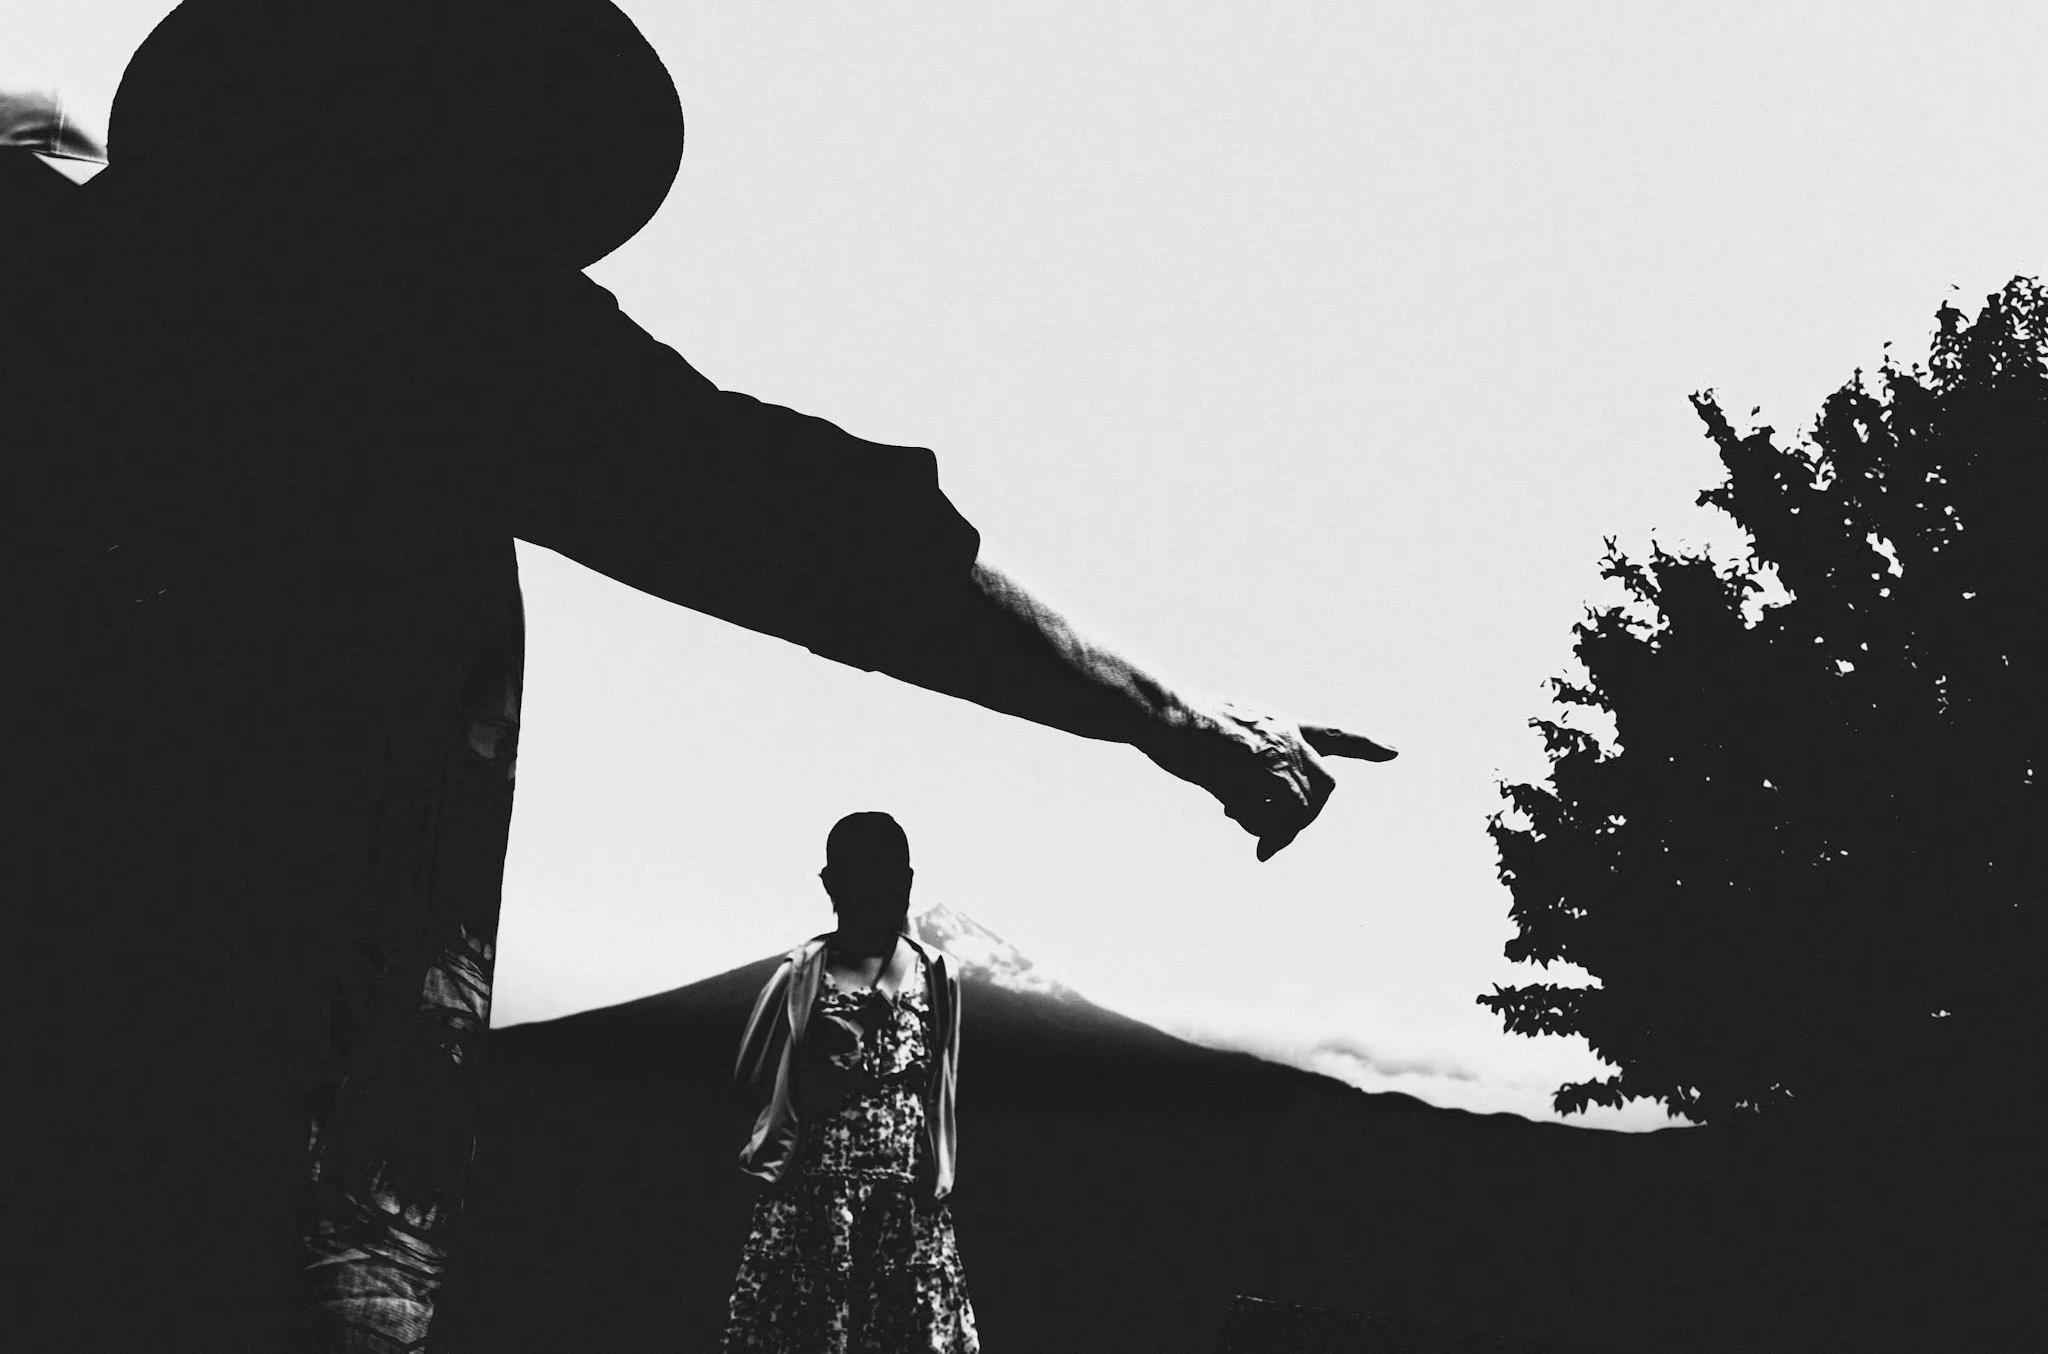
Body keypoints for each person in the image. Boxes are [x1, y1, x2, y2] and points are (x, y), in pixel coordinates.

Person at [0, 1, 1396, 1348]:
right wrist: (1189, 725)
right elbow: (823, 538)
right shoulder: (437, 328)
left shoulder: (78, 262)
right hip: (242, 1130)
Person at [724, 812, 975, 1353]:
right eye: (860, 876)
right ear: (831, 884)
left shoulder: (938, 976)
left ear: (908, 881)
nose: (874, 890)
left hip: (906, 1214)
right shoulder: (799, 975)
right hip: (814, 1207)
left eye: (885, 876)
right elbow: (753, 1075)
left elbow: (940, 1088)